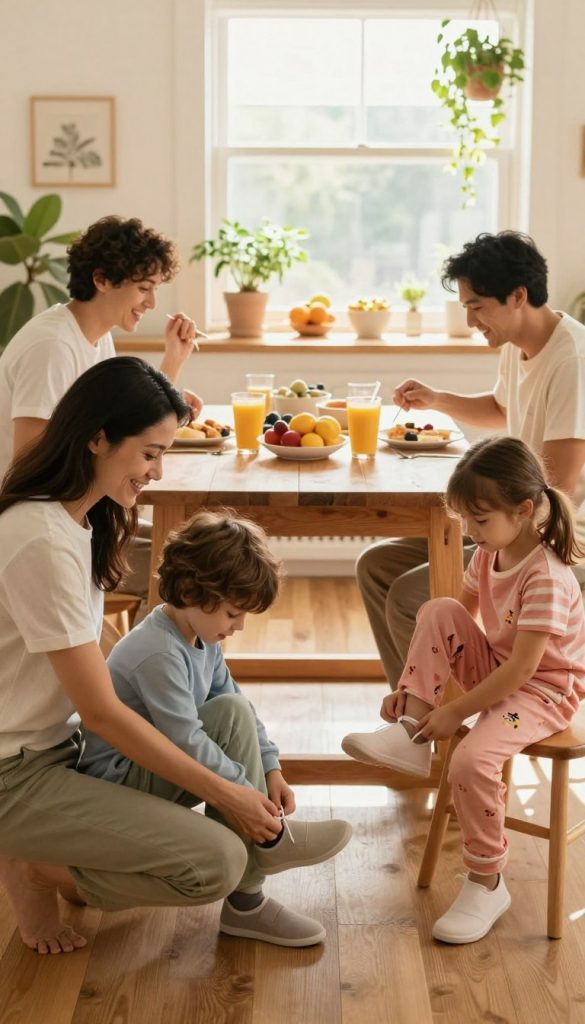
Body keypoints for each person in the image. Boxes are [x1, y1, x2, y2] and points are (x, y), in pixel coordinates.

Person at [0, 356, 344, 957]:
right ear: (97, 437)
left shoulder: (78, 521)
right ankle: (43, 868)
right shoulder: (41, 539)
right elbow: (104, 714)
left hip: (58, 748)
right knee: (218, 859)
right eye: (150, 453)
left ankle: (249, 900)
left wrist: (258, 772)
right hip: (15, 773)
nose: (156, 472)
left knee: (230, 714)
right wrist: (231, 794)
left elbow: (86, 659)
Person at [343, 437, 585, 944]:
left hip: (544, 694)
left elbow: (524, 671)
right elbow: (454, 622)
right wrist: (417, 691)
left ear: (523, 511)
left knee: (471, 761)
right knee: (435, 608)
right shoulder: (488, 554)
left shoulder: (547, 576)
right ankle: (409, 731)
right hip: (500, 670)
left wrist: (456, 715)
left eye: (479, 521)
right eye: (466, 521)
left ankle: (486, 881)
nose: (470, 533)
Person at [79, 508, 352, 946]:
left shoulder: (198, 635)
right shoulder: (158, 652)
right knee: (226, 717)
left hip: (160, 767)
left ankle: (252, 891)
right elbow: (184, 740)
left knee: (231, 708)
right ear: (189, 591)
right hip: (119, 784)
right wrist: (249, 801)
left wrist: (270, 769)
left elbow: (234, 701)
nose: (239, 627)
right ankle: (262, 868)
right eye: (232, 613)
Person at [356, 231, 585, 688]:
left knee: (408, 595)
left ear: (517, 296)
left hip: (558, 533)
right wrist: (436, 399)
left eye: (477, 305)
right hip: (515, 518)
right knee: (376, 566)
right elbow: (502, 408)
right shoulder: (518, 346)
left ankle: (444, 722)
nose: (470, 318)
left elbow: (561, 483)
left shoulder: (573, 359)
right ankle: (415, 709)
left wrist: (485, 518)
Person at [0, 215, 203, 601]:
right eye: (144, 288)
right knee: (187, 574)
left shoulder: (94, 340)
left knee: (188, 551)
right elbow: (30, 466)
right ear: (102, 279)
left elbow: (121, 424)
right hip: (38, 530)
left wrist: (172, 365)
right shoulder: (52, 348)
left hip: (77, 514)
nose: (152, 302)